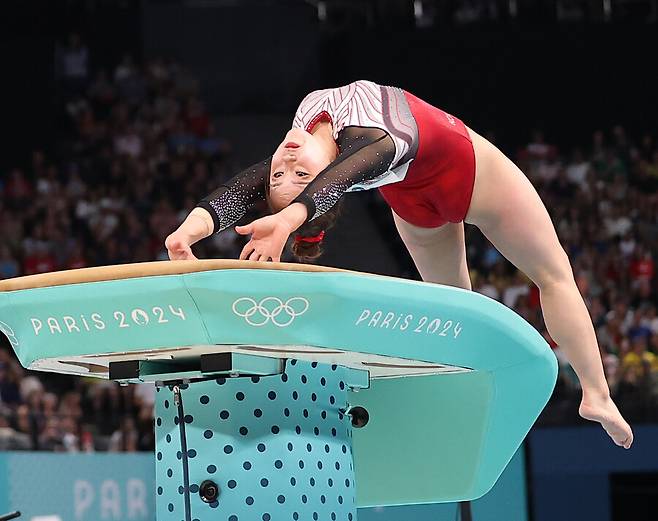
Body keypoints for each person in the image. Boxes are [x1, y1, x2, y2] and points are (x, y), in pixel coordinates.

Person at [165, 80, 633, 449]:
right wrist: (282, 218)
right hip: (462, 177)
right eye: (297, 175)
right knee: (516, 289)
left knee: (535, 282)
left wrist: (191, 227)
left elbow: (245, 188)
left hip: (428, 187)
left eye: (282, 175)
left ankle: (594, 395)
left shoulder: (305, 133)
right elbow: (344, 173)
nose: (284, 162)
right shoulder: (364, 145)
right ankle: (581, 393)